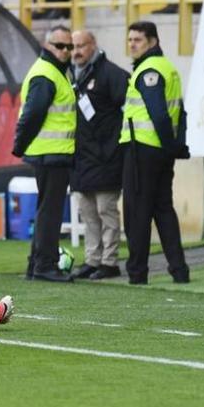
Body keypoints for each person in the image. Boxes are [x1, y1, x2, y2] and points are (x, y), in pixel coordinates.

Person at [120, 21, 190, 285]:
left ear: (153, 42)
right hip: (160, 150)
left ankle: (137, 273)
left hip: (143, 150)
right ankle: (179, 270)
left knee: (137, 213)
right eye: (130, 40)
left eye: (137, 40)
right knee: (163, 209)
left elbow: (159, 114)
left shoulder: (148, 71)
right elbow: (179, 112)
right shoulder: (167, 68)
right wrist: (175, 146)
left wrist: (169, 145)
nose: (132, 45)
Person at [12, 25, 76, 283]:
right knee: (50, 212)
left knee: (46, 210)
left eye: (69, 47)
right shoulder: (47, 74)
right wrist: (20, 145)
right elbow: (33, 114)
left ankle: (36, 264)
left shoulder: (52, 72)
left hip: (51, 152)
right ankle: (45, 265)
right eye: (60, 46)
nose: (66, 51)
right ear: (47, 45)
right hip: (50, 153)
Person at [68, 30, 128, 280]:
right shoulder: (73, 76)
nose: (76, 51)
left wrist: (115, 145)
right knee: (89, 213)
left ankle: (110, 261)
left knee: (107, 211)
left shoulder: (111, 74)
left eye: (81, 45)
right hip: (82, 157)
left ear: (93, 45)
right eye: (73, 47)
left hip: (107, 156)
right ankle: (93, 260)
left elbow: (129, 108)